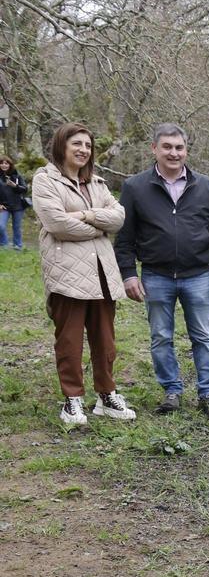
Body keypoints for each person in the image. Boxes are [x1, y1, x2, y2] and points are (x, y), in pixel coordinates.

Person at [115, 123, 209, 415]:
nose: (174, 153)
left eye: (179, 147)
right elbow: (124, 238)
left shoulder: (207, 187)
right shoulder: (135, 188)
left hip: (197, 275)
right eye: (167, 147)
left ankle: (208, 394)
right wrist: (129, 274)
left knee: (203, 337)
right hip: (156, 276)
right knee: (160, 337)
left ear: (186, 150)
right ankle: (172, 391)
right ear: (154, 149)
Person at [31, 123, 136, 425]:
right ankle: (72, 400)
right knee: (70, 340)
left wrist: (86, 215)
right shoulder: (45, 180)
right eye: (77, 143)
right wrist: (98, 227)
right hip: (67, 274)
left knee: (105, 339)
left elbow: (119, 217)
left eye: (88, 146)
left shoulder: (97, 182)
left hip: (103, 272)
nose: (83, 150)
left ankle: (107, 396)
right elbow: (57, 225)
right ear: (62, 145)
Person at [0, 155, 29, 250]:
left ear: (10, 164)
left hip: (18, 206)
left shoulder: (16, 175)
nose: (4, 165)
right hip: (4, 206)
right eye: (1, 163)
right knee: (1, 226)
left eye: (6, 163)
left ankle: (18, 246)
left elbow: (25, 189)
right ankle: (4, 244)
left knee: (17, 227)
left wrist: (15, 186)